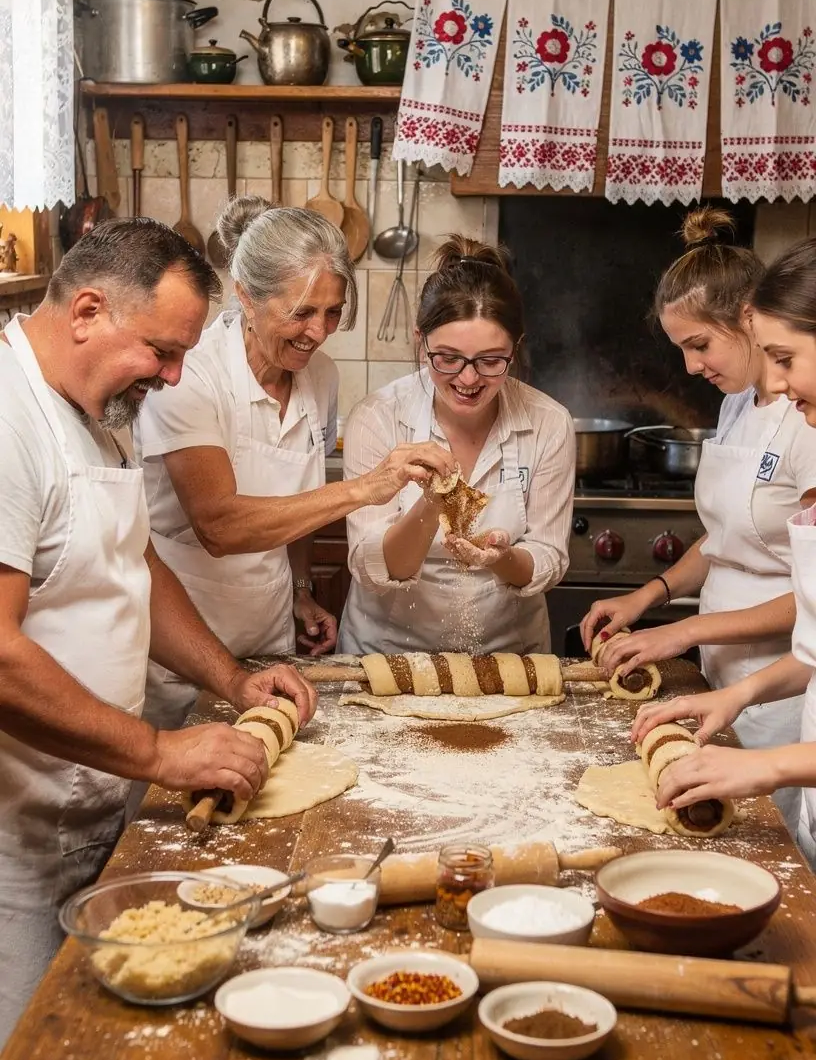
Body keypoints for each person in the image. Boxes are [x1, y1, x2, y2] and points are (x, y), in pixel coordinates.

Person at [0, 218, 316, 1060]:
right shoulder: (6, 418)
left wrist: (231, 678)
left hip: (94, 811)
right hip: (14, 837)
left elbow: (135, 565)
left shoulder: (95, 413)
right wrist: (158, 747)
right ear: (89, 311)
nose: (176, 377)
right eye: (164, 350)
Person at [135, 199, 454, 729]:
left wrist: (301, 589)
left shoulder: (319, 376)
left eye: (332, 312)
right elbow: (218, 524)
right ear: (246, 296)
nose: (319, 331)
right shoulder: (192, 377)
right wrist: (364, 489)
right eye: (301, 312)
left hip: (269, 640)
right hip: (182, 647)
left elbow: (297, 500)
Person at [580, 208, 816, 834]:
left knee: (775, 843)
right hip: (733, 671)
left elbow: (811, 596)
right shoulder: (740, 404)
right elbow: (729, 535)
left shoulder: (808, 421)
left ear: (748, 320)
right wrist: (653, 596)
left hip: (786, 690)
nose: (689, 367)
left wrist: (682, 632)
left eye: (698, 345)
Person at [338, 235, 576, 655]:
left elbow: (548, 558)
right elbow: (375, 567)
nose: (468, 379)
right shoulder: (377, 418)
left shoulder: (548, 422)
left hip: (506, 655)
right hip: (388, 652)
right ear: (420, 341)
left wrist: (499, 558)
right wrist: (433, 502)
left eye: (490, 361)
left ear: (515, 349)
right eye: (448, 358)